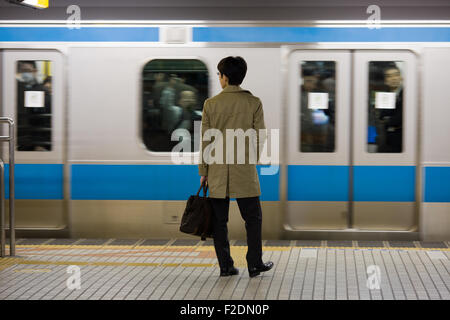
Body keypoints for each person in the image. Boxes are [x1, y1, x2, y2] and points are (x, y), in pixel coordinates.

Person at [199, 56, 274, 278]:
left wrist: (203, 172)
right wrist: (250, 159)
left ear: (225, 77)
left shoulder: (210, 105)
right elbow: (260, 137)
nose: (219, 79)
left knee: (219, 222)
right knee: (253, 219)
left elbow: (205, 141)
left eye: (219, 75)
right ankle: (254, 264)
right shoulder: (254, 103)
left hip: (217, 172)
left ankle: (226, 266)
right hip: (244, 172)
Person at [378, 65, 403, 153]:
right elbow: (381, 117)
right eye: (389, 76)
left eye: (396, 75)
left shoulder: (407, 93)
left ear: (401, 78)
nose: (393, 78)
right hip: (386, 139)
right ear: (385, 80)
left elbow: (401, 118)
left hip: (403, 141)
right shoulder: (385, 95)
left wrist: (389, 120)